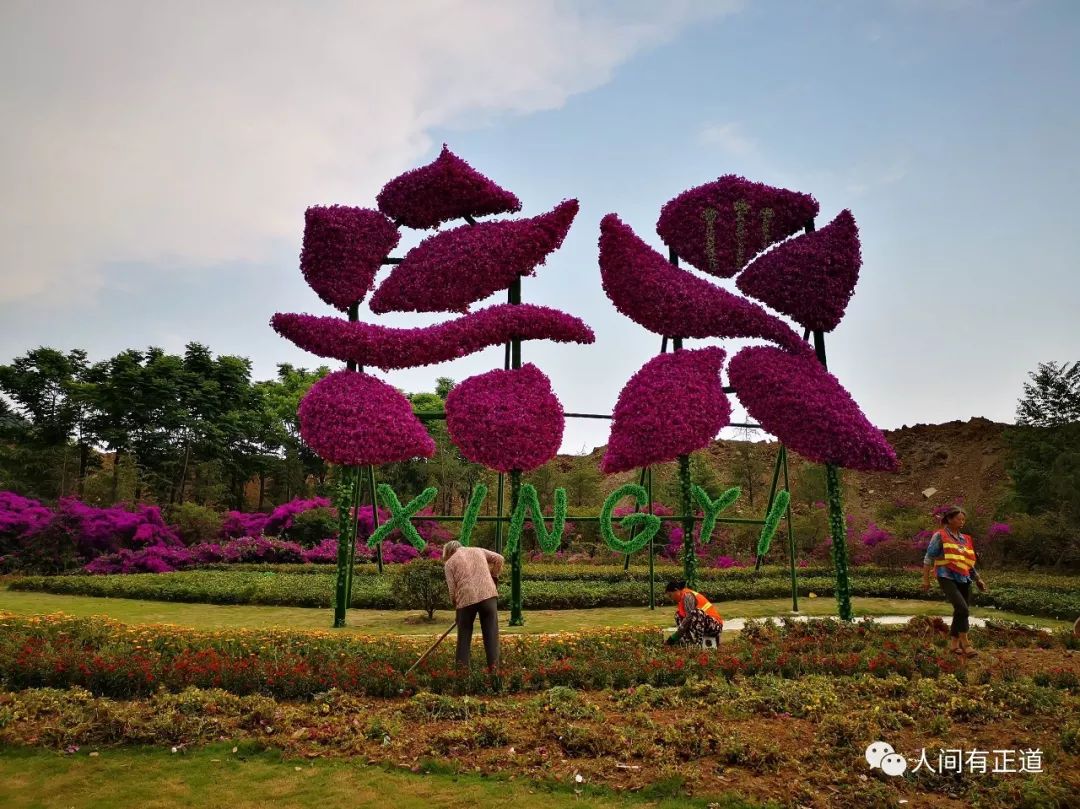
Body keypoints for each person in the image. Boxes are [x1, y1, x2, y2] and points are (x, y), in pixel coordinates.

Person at [921, 506, 989, 657]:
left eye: (963, 519)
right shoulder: (940, 535)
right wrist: (926, 579)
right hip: (946, 576)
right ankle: (966, 643)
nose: (962, 522)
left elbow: (968, 563)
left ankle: (953, 645)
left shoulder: (966, 539)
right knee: (962, 608)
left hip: (964, 577)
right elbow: (928, 558)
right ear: (949, 519)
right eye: (959, 519)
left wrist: (978, 579)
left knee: (960, 610)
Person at [442, 541, 504, 670]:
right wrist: (494, 577)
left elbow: (452, 590)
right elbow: (499, 558)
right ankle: (495, 677)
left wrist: (457, 609)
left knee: (463, 639)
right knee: (491, 637)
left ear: (448, 553)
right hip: (488, 596)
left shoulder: (449, 563)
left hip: (465, 601)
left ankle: (462, 678)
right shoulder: (478, 550)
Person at [664, 579, 723, 646]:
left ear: (676, 590)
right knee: (678, 615)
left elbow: (689, 618)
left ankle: (698, 644)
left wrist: (675, 636)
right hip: (705, 625)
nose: (671, 599)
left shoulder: (688, 596)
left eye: (670, 595)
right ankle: (688, 643)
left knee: (695, 613)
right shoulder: (682, 600)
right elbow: (685, 622)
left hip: (715, 626)